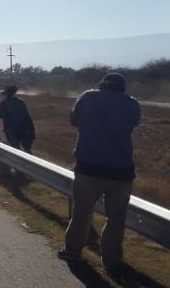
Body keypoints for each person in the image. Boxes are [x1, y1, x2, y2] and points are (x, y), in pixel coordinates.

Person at [58, 73, 140, 275]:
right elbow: (133, 125)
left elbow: (73, 120)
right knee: (116, 218)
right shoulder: (132, 103)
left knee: (82, 213)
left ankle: (72, 251)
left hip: (89, 168)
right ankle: (111, 261)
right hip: (122, 172)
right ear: (122, 88)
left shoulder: (87, 97)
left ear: (102, 85)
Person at [0, 85, 36, 153]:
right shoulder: (21, 102)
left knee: (15, 149)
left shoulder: (4, 103)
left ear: (6, 94)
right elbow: (25, 115)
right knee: (27, 149)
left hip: (12, 129)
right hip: (25, 128)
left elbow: (0, 115)